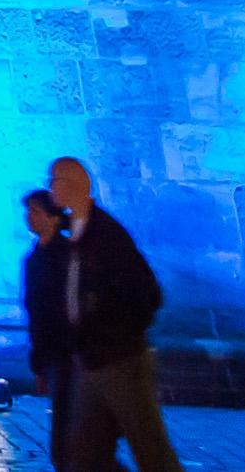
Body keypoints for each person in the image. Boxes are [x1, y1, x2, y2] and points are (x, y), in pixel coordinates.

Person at [45, 156, 184, 472]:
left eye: (53, 180)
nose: (49, 186)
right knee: (85, 456)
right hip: (92, 360)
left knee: (151, 451)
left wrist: (112, 337)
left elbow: (146, 294)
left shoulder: (106, 234)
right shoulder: (77, 231)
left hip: (120, 361)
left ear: (72, 185)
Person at [17, 189, 74, 443]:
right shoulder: (34, 258)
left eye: (35, 211)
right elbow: (35, 309)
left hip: (68, 350)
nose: (29, 216)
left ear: (53, 218)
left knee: (71, 429)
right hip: (51, 350)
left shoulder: (66, 256)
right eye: (28, 211)